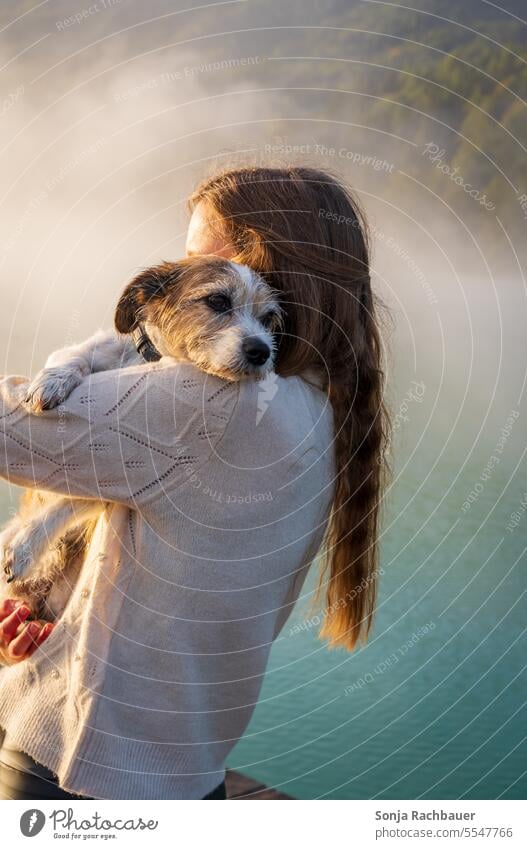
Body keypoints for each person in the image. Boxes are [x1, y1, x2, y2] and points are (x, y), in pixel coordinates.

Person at [0, 165, 389, 799]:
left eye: (198, 264)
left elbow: (10, 431)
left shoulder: (214, 401)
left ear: (264, 268)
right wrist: (46, 615)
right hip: (188, 772)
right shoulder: (321, 405)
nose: (181, 278)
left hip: (74, 769)